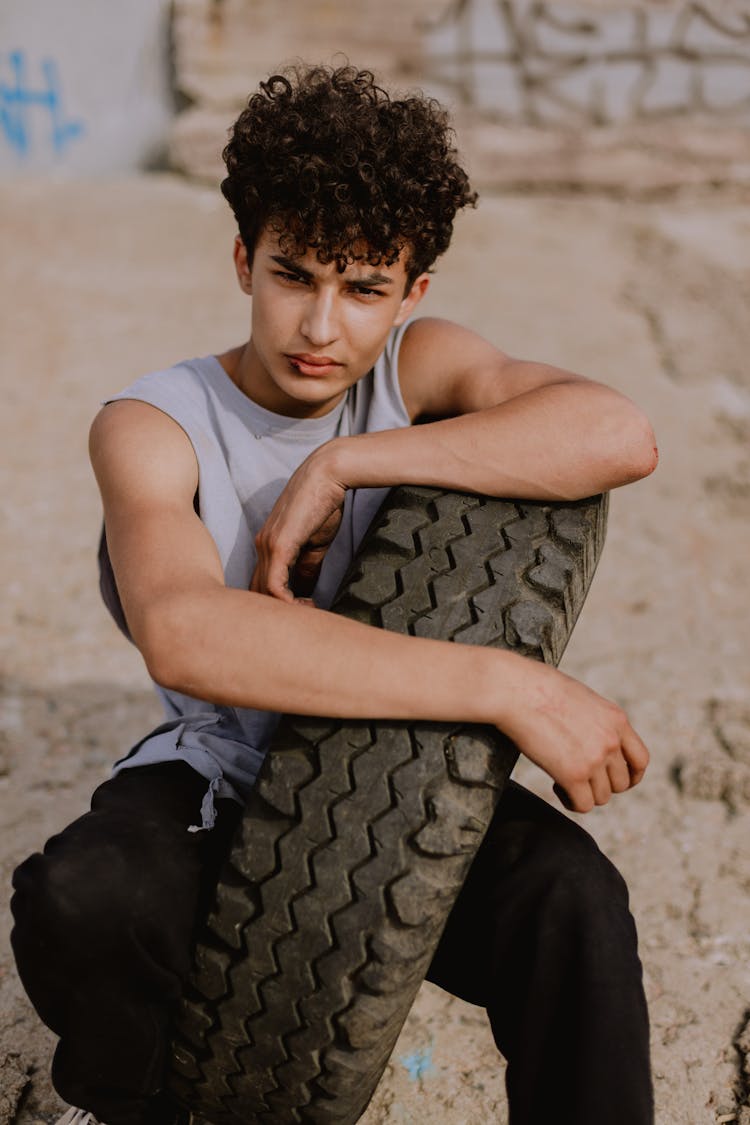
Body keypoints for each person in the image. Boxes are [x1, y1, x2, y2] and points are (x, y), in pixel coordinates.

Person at [11, 64, 658, 1125]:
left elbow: (617, 434)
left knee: (574, 902)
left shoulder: (414, 372)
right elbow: (182, 634)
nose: (321, 325)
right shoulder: (155, 423)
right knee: (82, 896)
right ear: (242, 263)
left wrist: (347, 464)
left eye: (363, 289)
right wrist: (507, 686)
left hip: (395, 773)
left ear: (412, 295)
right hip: (222, 773)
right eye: (294, 274)